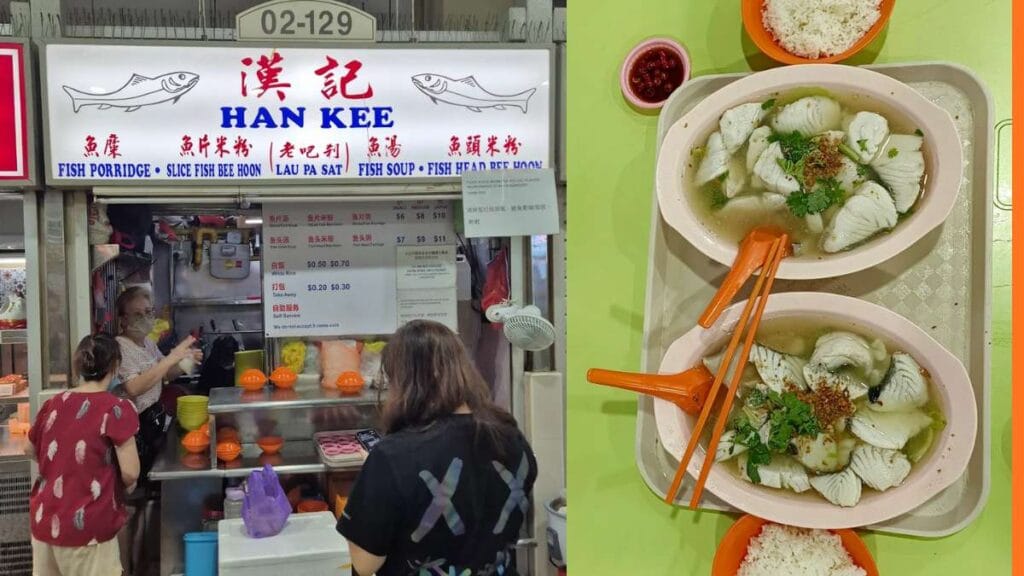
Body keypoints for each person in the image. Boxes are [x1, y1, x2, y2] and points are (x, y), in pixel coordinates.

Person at [338, 320, 538, 576]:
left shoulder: (393, 456)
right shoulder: (511, 438)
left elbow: (365, 564)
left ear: (406, 382)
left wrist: (374, 483)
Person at [28, 334, 141, 576]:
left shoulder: (54, 404)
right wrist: (125, 485)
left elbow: (29, 448)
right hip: (89, 527)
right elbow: (131, 472)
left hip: (45, 523)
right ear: (114, 367)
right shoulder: (116, 409)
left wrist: (61, 464)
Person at [113, 286, 201, 414]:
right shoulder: (120, 346)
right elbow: (133, 388)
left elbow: (165, 374)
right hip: (131, 420)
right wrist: (172, 357)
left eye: (148, 312)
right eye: (137, 314)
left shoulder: (148, 343)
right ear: (124, 319)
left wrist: (186, 362)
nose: (144, 318)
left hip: (151, 413)